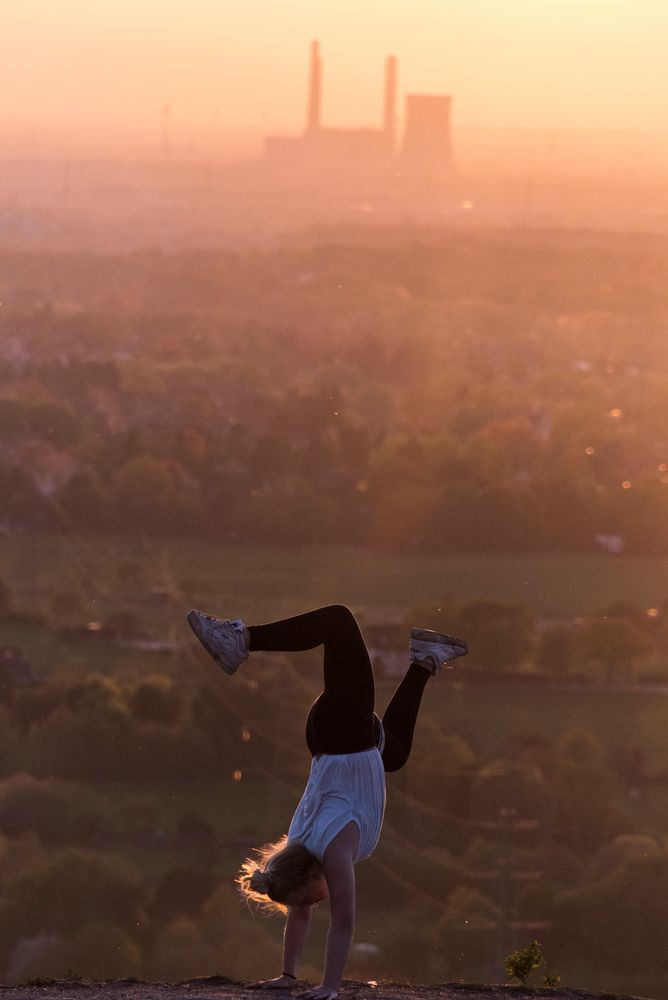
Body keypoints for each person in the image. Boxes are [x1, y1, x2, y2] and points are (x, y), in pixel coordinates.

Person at [187, 604, 467, 999]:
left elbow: (345, 922)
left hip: (343, 735)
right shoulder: (299, 850)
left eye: (303, 900)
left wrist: (331, 987)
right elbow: (300, 911)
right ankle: (424, 659)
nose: (307, 909)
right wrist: (287, 975)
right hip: (338, 742)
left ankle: (241, 639)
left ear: (309, 877)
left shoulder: (334, 851)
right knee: (396, 754)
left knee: (339, 620)